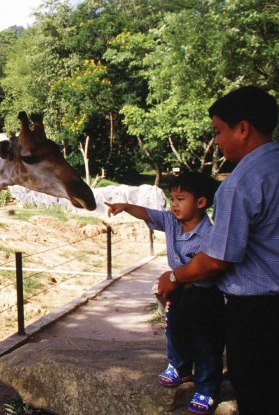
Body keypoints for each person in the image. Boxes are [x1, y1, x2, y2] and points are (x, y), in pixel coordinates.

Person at [157, 86, 279, 415]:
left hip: (257, 314)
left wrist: (173, 275)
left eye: (218, 131)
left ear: (242, 128)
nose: (217, 141)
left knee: (259, 394)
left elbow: (214, 261)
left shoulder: (240, 183)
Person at [106, 171, 223, 414]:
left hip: (204, 296)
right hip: (178, 291)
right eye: (172, 198)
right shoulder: (171, 221)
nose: (174, 204)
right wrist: (125, 206)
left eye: (180, 199)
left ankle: (207, 387)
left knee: (206, 341)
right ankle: (179, 367)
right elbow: (149, 214)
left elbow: (208, 269)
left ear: (201, 202)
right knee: (175, 331)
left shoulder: (212, 235)